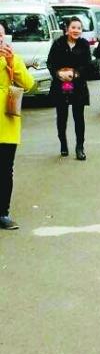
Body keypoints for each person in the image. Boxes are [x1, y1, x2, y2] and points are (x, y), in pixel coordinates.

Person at [0, 23, 35, 230]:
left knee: (5, 170)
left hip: (7, 120)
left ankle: (3, 212)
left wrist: (12, 62)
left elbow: (29, 84)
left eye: (1, 35)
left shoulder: (14, 58)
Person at [47, 16, 91, 160]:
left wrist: (75, 74)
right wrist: (59, 74)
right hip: (60, 85)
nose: (76, 31)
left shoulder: (84, 45)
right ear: (67, 29)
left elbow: (88, 64)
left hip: (78, 85)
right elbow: (50, 62)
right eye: (73, 27)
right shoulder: (58, 43)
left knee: (79, 117)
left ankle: (80, 147)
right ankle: (63, 144)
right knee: (62, 117)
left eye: (79, 28)